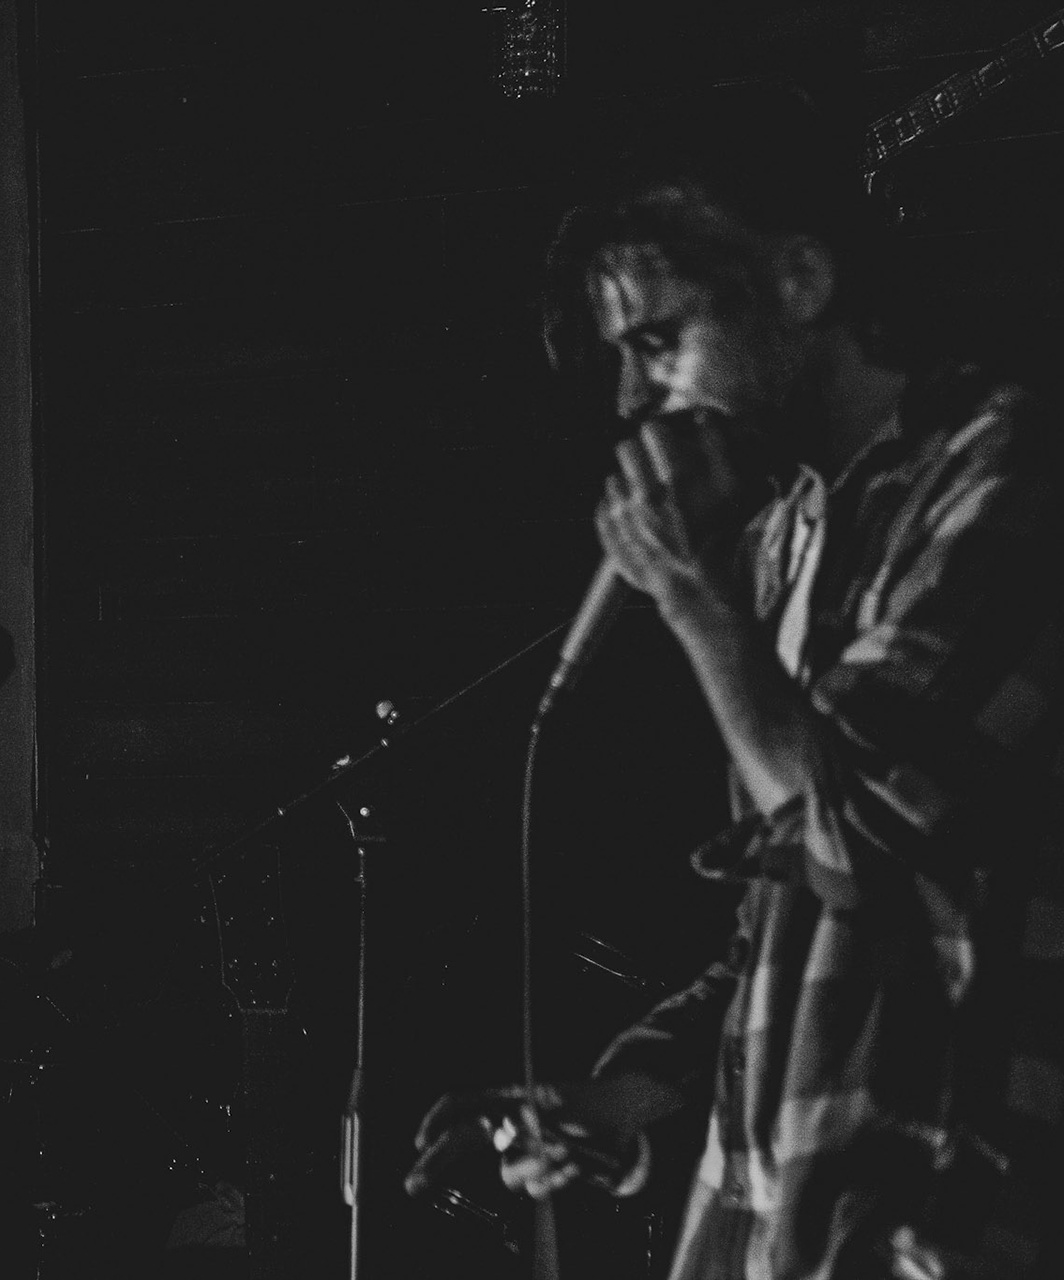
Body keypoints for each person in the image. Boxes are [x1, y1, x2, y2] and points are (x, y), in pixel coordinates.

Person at [406, 93, 1060, 1278]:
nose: (632, 399)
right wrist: (619, 1102)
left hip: (937, 1218)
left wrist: (697, 607)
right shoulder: (785, 538)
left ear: (800, 281)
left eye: (659, 341)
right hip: (776, 1222)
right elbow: (782, 917)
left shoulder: (1006, 474)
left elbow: (860, 846)